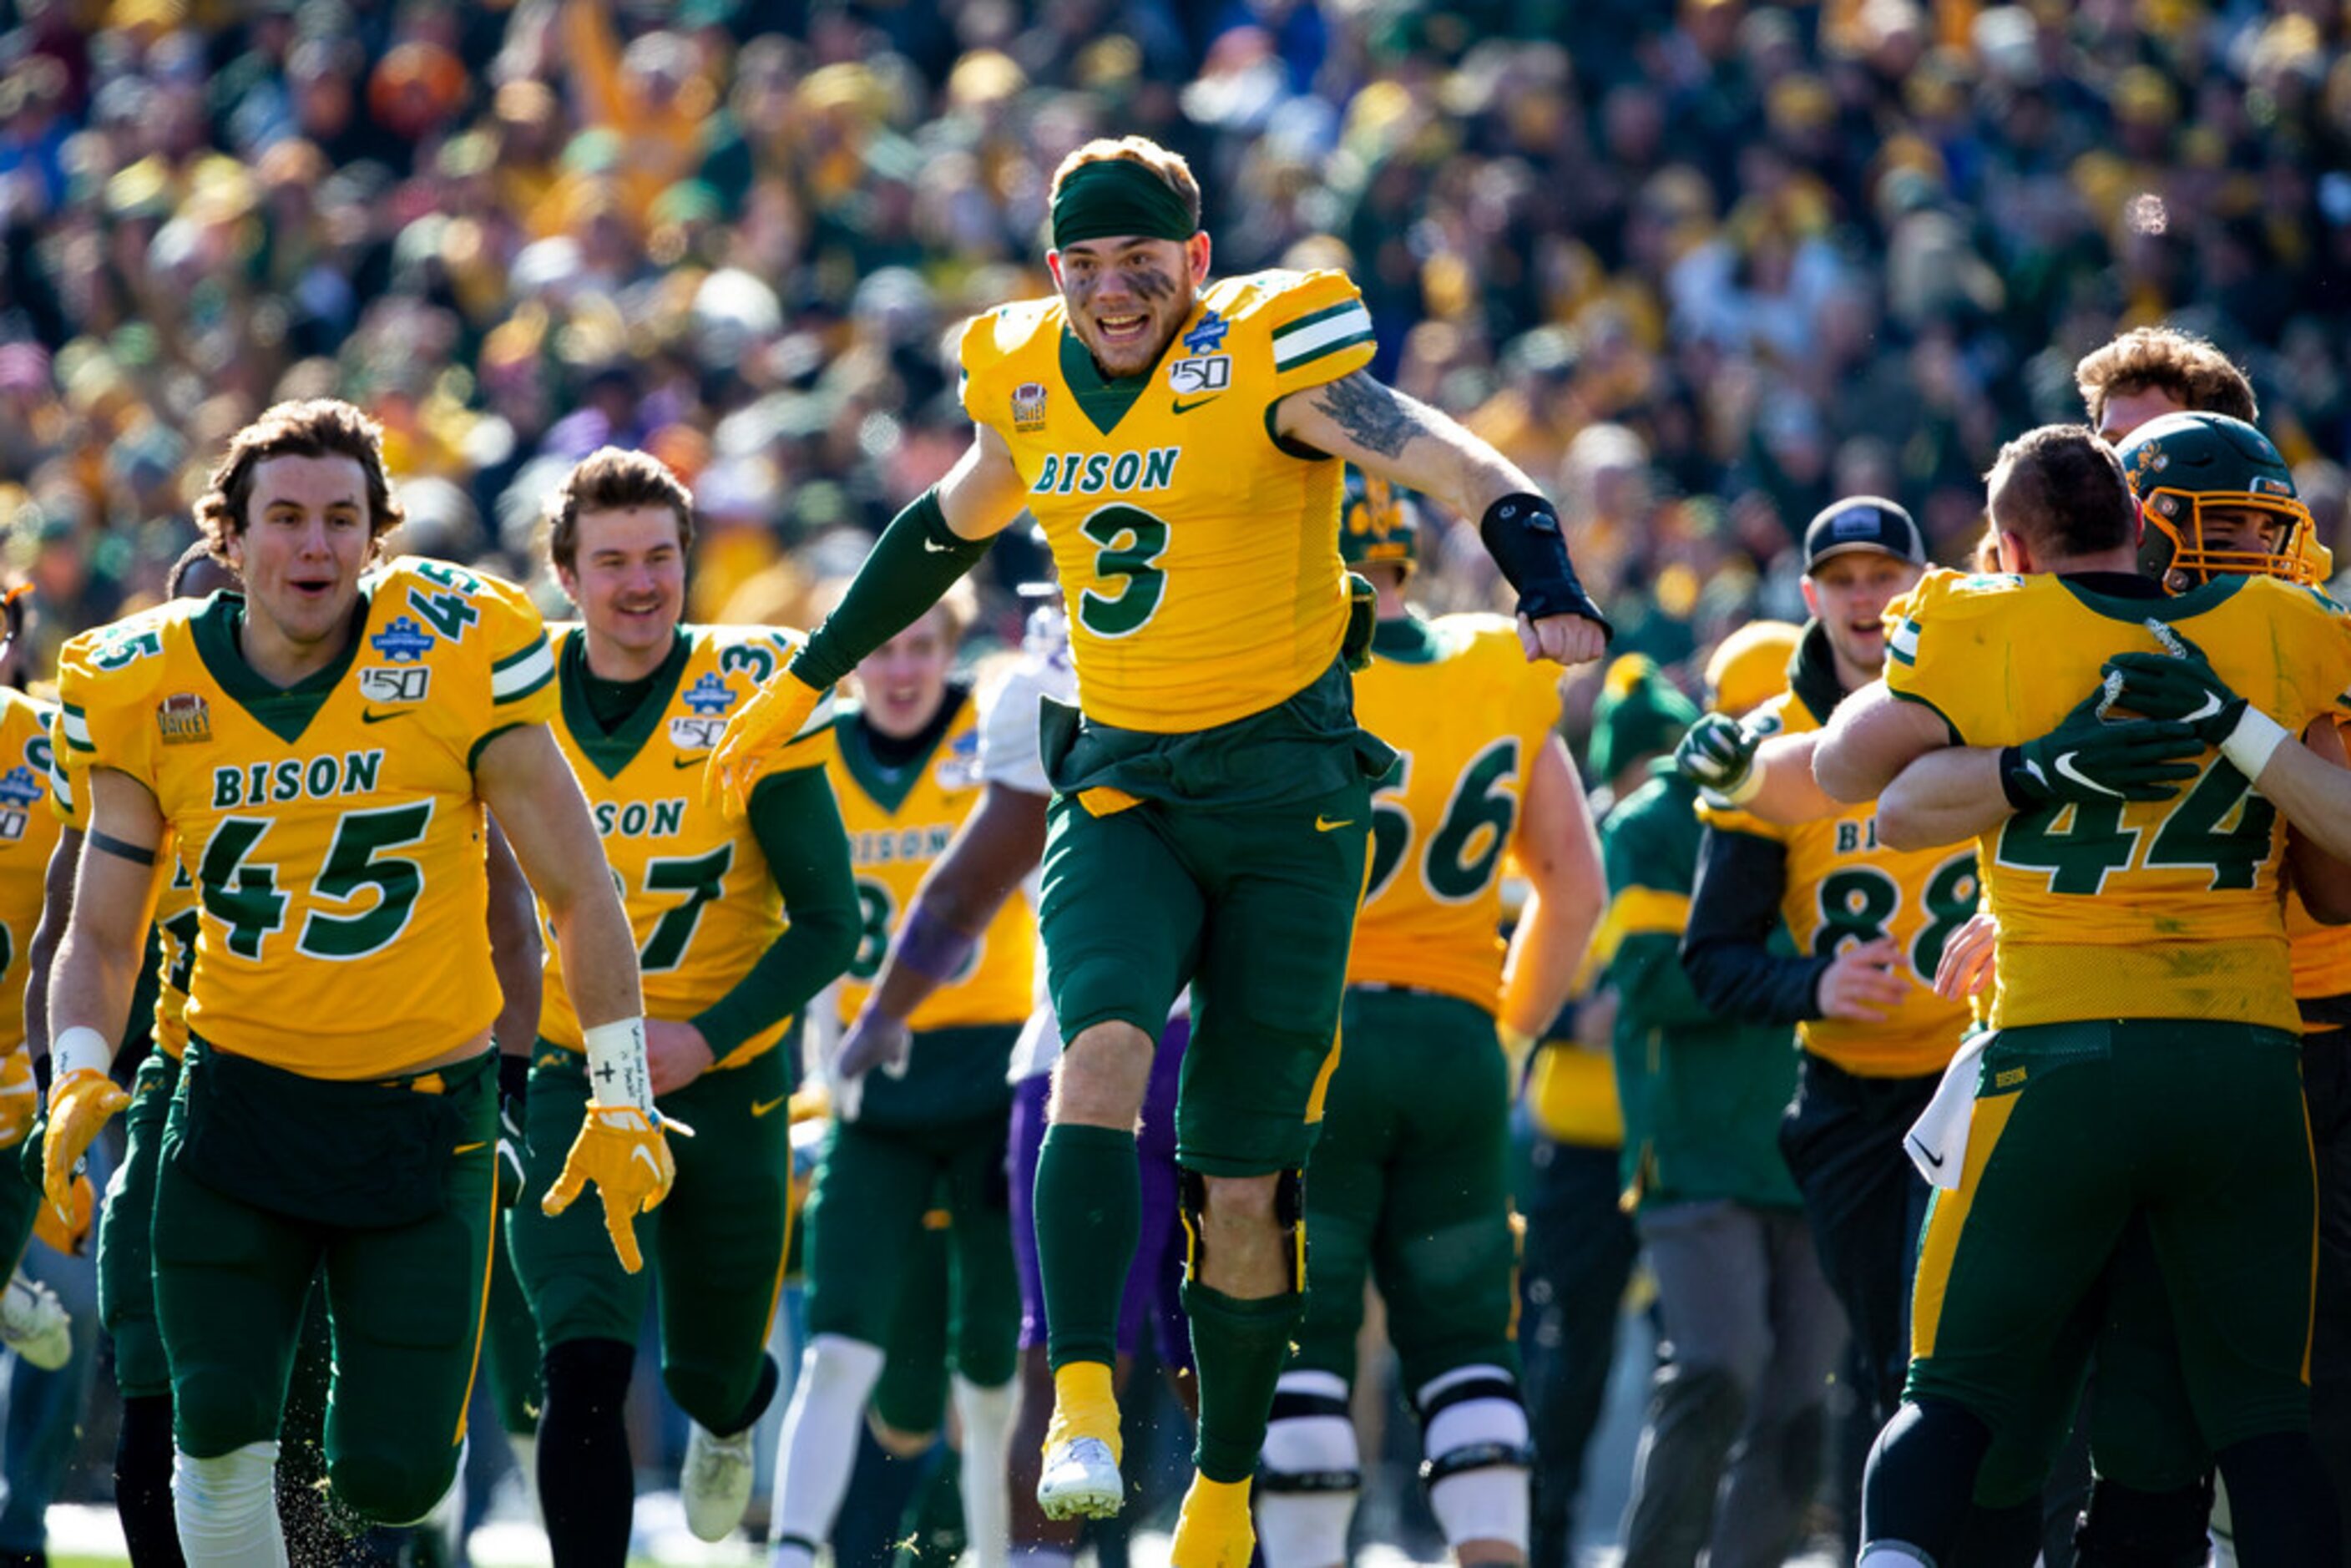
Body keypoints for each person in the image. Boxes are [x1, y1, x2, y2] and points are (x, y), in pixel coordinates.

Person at [704, 134, 1607, 1568]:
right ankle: (1080, 1404)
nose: (1113, 293)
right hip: (1123, 781)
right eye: (1085, 267)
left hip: (1290, 797)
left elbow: (1447, 457)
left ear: (1196, 263)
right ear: (1052, 271)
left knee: (1243, 1181)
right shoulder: (1022, 372)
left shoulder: (1270, 356)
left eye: (1142, 265)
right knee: (1100, 1052)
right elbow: (946, 526)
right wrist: (805, 674)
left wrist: (1541, 567)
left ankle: (1228, 1482)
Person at [38, 399, 671, 1565]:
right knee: (215, 1425)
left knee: (392, 1473)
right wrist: (76, 1072)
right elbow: (103, 929)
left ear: (380, 534)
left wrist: (620, 1085)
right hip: (234, 1099)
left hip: (422, 1114)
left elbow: (577, 890)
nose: (315, 547)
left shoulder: (457, 642)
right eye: (284, 518)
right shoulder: (142, 680)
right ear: (227, 538)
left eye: (342, 518)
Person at [1813, 423, 2351, 1565]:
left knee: (1952, 1391)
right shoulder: (2287, 629)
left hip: (2056, 1056)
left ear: (2011, 543)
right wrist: (2222, 727)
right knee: (2258, 1427)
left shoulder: (1990, 619)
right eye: (2234, 522)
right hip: (2245, 1060)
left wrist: (2044, 760)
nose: (2256, 544)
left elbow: (1854, 779)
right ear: (2147, 519)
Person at [508, 447, 860, 1565]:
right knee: (582, 1358)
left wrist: (702, 1038)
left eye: (660, 554)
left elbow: (827, 922)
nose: (642, 582)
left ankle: (732, 1414)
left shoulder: (754, 685)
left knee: (706, 1365)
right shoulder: (509, 694)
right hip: (574, 1069)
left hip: (730, 1070)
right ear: (566, 573)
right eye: (611, 560)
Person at [1255, 473, 1602, 1568]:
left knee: (1306, 1350)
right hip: (1458, 1035)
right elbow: (1572, 886)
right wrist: (1509, 1032)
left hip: (1316, 1048)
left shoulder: (1280, 674)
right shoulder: (1492, 669)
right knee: (1466, 1351)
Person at [824, 582, 1196, 1568]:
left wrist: (876, 1022)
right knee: (1232, 1361)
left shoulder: (1041, 685)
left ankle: (1042, 1559)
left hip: (1078, 1062)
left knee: (1066, 1358)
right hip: (1224, 1054)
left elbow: (964, 888)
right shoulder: (1246, 656)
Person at [1677, 498, 1992, 1529]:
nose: (1864, 598)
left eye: (1881, 575)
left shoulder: (1981, 699)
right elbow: (1712, 955)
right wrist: (1810, 986)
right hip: (1850, 1101)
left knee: (1949, 1347)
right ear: (1809, 598)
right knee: (1885, 1354)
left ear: (1919, 583)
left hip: (1977, 1079)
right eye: (1842, 579)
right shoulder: (1771, 749)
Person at [768, 586, 1033, 1568]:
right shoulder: (814, 754)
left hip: (994, 1076)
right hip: (870, 1094)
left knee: (993, 1366)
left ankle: (1000, 1550)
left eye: (921, 646)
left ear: (951, 648)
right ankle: (793, 1551)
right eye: (881, 651)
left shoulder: (999, 722)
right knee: (841, 1346)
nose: (901, 670)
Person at [1604, 619, 1846, 1568]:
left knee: (1798, 1396)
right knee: (1716, 1366)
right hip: (1696, 1141)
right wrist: (1803, 968)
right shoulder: (1657, 822)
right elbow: (1656, 975)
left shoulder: (1848, 786)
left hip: (1810, 1132)